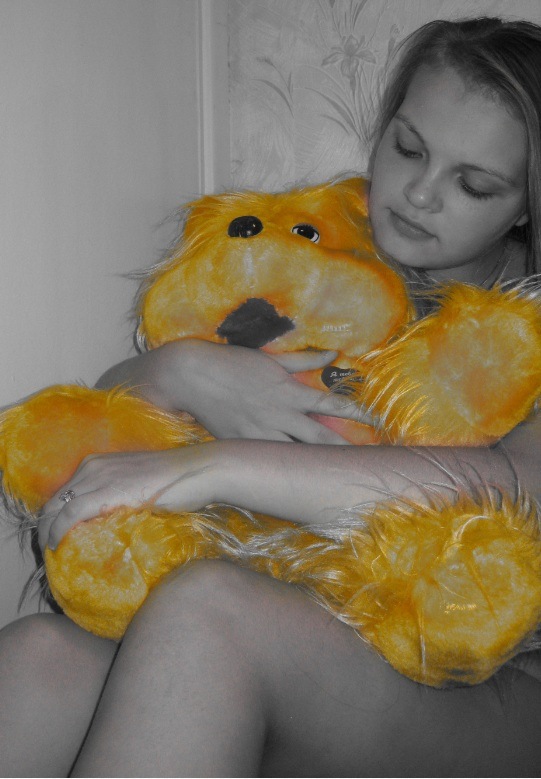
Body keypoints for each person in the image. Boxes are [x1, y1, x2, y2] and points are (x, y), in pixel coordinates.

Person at [2, 15, 541, 778]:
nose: (420, 192)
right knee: (39, 655)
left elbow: (517, 485)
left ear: (525, 205)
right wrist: (181, 371)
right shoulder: (321, 244)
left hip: (491, 679)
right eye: (407, 147)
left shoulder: (525, 320)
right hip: (311, 617)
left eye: (473, 183)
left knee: (210, 608)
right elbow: (114, 418)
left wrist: (211, 468)